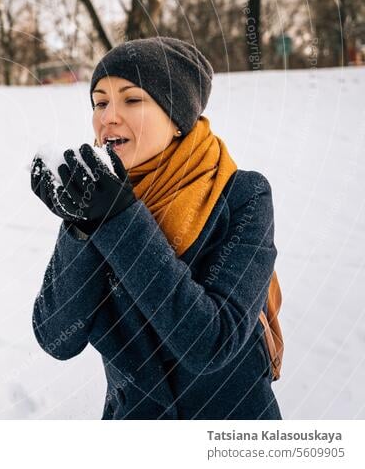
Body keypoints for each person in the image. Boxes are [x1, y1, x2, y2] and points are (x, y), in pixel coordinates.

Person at [29, 37, 283, 420]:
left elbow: (211, 342)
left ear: (177, 116)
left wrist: (119, 219)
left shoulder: (243, 196)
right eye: (100, 102)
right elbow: (56, 336)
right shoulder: (101, 194)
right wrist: (80, 228)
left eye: (132, 100)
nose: (107, 117)